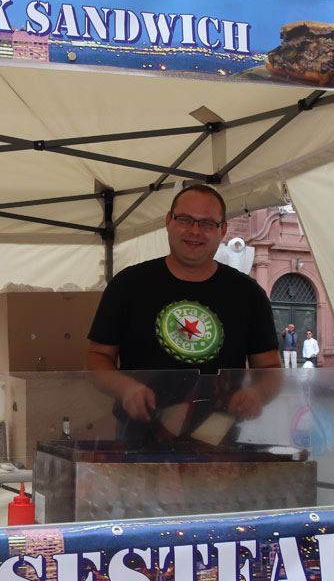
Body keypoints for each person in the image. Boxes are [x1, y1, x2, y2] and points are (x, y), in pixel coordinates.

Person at [85, 184, 281, 441]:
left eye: (207, 223)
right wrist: (125, 388)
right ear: (169, 221)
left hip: (218, 442)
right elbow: (97, 356)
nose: (195, 231)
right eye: (185, 219)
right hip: (138, 439)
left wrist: (258, 393)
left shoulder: (249, 294)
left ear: (223, 230)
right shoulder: (128, 285)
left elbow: (270, 368)